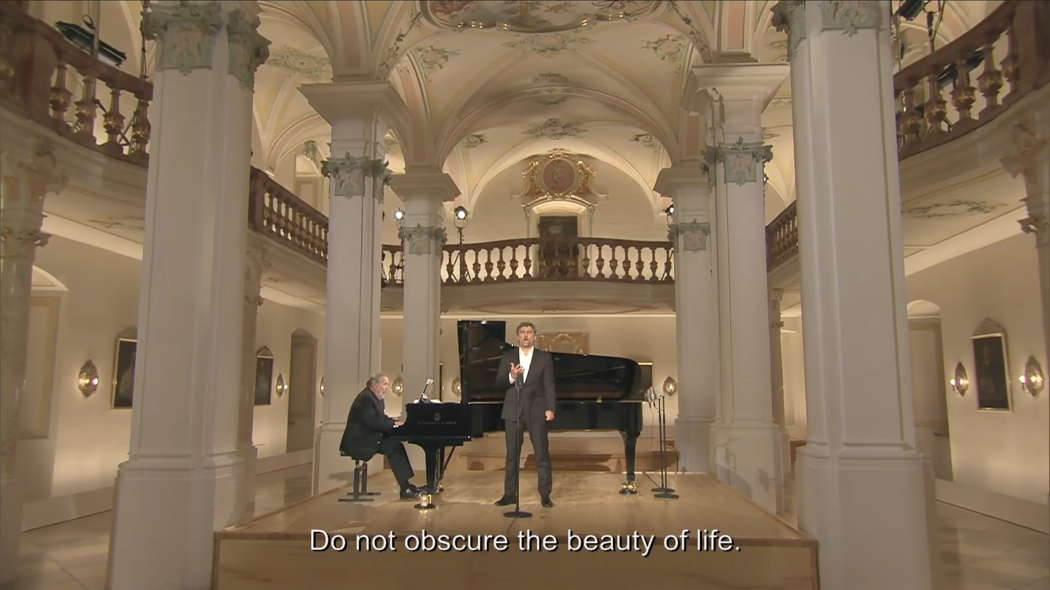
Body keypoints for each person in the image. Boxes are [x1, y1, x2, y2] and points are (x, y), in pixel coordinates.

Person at [494, 322, 556, 508]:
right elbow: (499, 383)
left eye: (529, 332)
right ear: (517, 336)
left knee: (542, 454)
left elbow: (549, 385)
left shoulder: (544, 358)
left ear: (534, 336)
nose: (526, 336)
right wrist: (512, 376)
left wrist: (550, 408)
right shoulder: (508, 356)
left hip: (537, 410)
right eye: (522, 332)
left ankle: (545, 495)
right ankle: (509, 494)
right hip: (513, 409)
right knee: (512, 454)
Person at [339, 373, 421, 499]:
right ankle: (405, 488)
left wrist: (395, 423)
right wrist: (394, 424)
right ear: (374, 384)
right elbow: (374, 422)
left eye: (387, 384)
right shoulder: (366, 398)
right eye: (384, 384)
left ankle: (406, 485)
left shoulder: (376, 398)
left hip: (370, 436)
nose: (386, 387)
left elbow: (381, 418)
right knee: (393, 446)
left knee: (396, 444)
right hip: (359, 441)